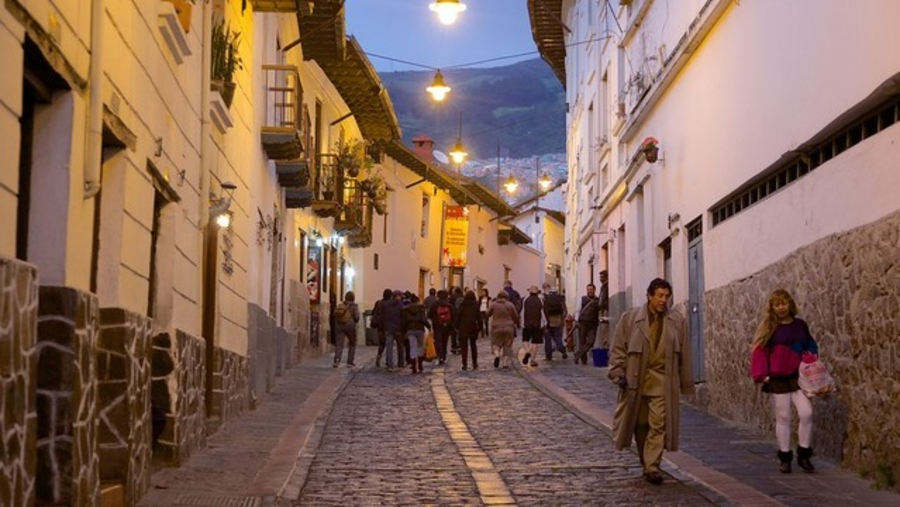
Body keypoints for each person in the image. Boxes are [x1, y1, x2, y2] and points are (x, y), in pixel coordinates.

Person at [608, 278, 694, 485]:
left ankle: (653, 466)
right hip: (636, 380)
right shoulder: (630, 319)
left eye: (667, 296)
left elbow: (685, 353)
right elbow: (618, 348)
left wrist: (686, 382)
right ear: (649, 296)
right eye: (660, 296)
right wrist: (618, 372)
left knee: (659, 423)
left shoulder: (677, 321)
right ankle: (646, 463)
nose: (663, 300)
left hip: (663, 380)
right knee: (640, 424)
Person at [750, 289, 818, 474]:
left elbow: (810, 345)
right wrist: (761, 374)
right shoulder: (769, 327)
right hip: (777, 378)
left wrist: (809, 356)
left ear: (790, 304)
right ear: (772, 307)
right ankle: (785, 456)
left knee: (806, 413)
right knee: (783, 417)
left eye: (784, 303)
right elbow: (759, 351)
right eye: (777, 304)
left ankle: (804, 454)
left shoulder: (800, 326)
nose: (781, 307)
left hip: (798, 378)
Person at [487, 290, 519, 369]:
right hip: (508, 327)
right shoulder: (510, 305)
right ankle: (505, 363)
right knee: (507, 345)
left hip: (496, 327)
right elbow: (516, 316)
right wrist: (515, 322)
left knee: (495, 343)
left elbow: (487, 314)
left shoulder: (493, 304)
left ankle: (497, 355)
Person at [402, 293, 430, 374]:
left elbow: (404, 322)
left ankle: (414, 366)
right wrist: (429, 327)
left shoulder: (406, 310)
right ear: (417, 301)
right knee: (420, 347)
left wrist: (404, 331)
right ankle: (420, 365)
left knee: (412, 347)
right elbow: (423, 319)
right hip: (420, 329)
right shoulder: (421, 309)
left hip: (410, 330)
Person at [455, 290, 483, 370]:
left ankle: (464, 364)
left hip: (463, 327)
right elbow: (479, 318)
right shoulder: (476, 305)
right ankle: (475, 363)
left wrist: (456, 326)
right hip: (473, 327)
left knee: (464, 347)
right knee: (473, 346)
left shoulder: (462, 305)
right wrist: (480, 328)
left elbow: (458, 317)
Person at [332, 291, 361, 368]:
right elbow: (357, 318)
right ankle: (350, 362)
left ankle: (337, 361)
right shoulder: (354, 306)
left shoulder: (341, 305)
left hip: (339, 326)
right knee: (352, 343)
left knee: (339, 344)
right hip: (350, 326)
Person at [574, 283, 600, 365]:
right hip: (582, 323)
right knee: (582, 341)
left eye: (591, 289)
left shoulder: (598, 300)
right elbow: (578, 310)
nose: (589, 291)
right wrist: (576, 320)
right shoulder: (582, 299)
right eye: (588, 289)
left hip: (593, 324)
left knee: (591, 341)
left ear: (594, 290)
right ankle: (583, 360)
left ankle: (578, 353)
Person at [428, 290, 456, 365]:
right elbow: (453, 316)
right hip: (447, 325)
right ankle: (444, 355)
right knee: (445, 341)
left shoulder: (434, 304)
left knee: (438, 341)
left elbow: (429, 315)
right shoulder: (449, 305)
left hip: (437, 325)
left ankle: (440, 356)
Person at [541, 283, 568, 361]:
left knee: (548, 340)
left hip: (548, 321)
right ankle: (563, 351)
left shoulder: (546, 298)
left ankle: (548, 356)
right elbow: (565, 311)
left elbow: (544, 310)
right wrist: (562, 319)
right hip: (558, 321)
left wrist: (545, 321)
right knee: (558, 338)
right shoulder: (560, 299)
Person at [381, 290, 405, 372]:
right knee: (400, 347)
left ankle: (389, 364)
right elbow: (403, 317)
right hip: (398, 329)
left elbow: (382, 316)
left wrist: (383, 327)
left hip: (388, 328)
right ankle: (401, 364)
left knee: (389, 347)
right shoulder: (400, 305)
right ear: (398, 296)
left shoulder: (385, 304)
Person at [520, 285, 545, 367]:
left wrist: (522, 322)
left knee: (525, 340)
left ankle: (527, 351)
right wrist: (544, 322)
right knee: (535, 342)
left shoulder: (525, 299)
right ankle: (533, 360)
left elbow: (522, 311)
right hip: (537, 324)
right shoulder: (540, 300)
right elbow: (542, 312)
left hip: (527, 323)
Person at [372, 289, 392, 368]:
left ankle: (379, 355)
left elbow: (373, 312)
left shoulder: (379, 303)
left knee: (382, 343)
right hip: (388, 326)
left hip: (380, 326)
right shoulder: (390, 304)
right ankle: (388, 361)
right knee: (389, 344)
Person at [597, 270, 611, 348]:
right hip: (603, 310)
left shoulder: (606, 286)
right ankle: (605, 345)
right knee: (603, 329)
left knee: (605, 329)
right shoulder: (603, 286)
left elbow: (604, 298)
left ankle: (606, 345)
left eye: (602, 277)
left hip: (605, 310)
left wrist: (601, 305)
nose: (600, 278)